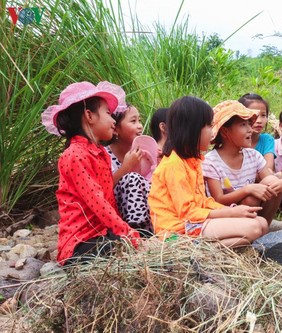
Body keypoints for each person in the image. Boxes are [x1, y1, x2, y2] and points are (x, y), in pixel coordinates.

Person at [41, 81, 140, 266]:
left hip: (100, 234)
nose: (113, 121)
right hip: (81, 243)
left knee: (123, 246)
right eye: (109, 114)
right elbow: (98, 202)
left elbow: (103, 191)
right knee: (123, 248)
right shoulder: (75, 155)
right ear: (89, 115)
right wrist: (128, 233)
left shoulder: (98, 152)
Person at [148, 96, 269, 248]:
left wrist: (231, 210)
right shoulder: (174, 164)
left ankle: (204, 249)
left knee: (262, 224)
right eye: (210, 126)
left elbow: (202, 201)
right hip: (177, 230)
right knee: (254, 228)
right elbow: (188, 213)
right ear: (193, 130)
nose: (213, 133)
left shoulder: (194, 160)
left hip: (195, 222)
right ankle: (198, 250)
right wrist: (229, 213)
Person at [202, 100, 282, 225]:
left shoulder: (253, 155)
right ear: (225, 132)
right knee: (251, 197)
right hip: (226, 214)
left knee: (272, 185)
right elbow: (218, 199)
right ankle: (251, 230)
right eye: (243, 125)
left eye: (249, 124)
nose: (250, 129)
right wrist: (247, 189)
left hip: (250, 211)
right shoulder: (211, 161)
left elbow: (269, 179)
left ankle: (265, 227)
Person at [106, 103, 153, 237]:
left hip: (148, 214)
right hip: (119, 216)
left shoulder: (144, 151)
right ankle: (138, 232)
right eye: (133, 121)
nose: (139, 126)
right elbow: (104, 187)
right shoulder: (105, 155)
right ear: (115, 129)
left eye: (140, 120)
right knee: (131, 178)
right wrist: (126, 167)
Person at [238, 93, 275, 172]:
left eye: (263, 115)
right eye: (254, 115)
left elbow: (268, 169)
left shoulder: (267, 140)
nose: (259, 121)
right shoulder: (236, 141)